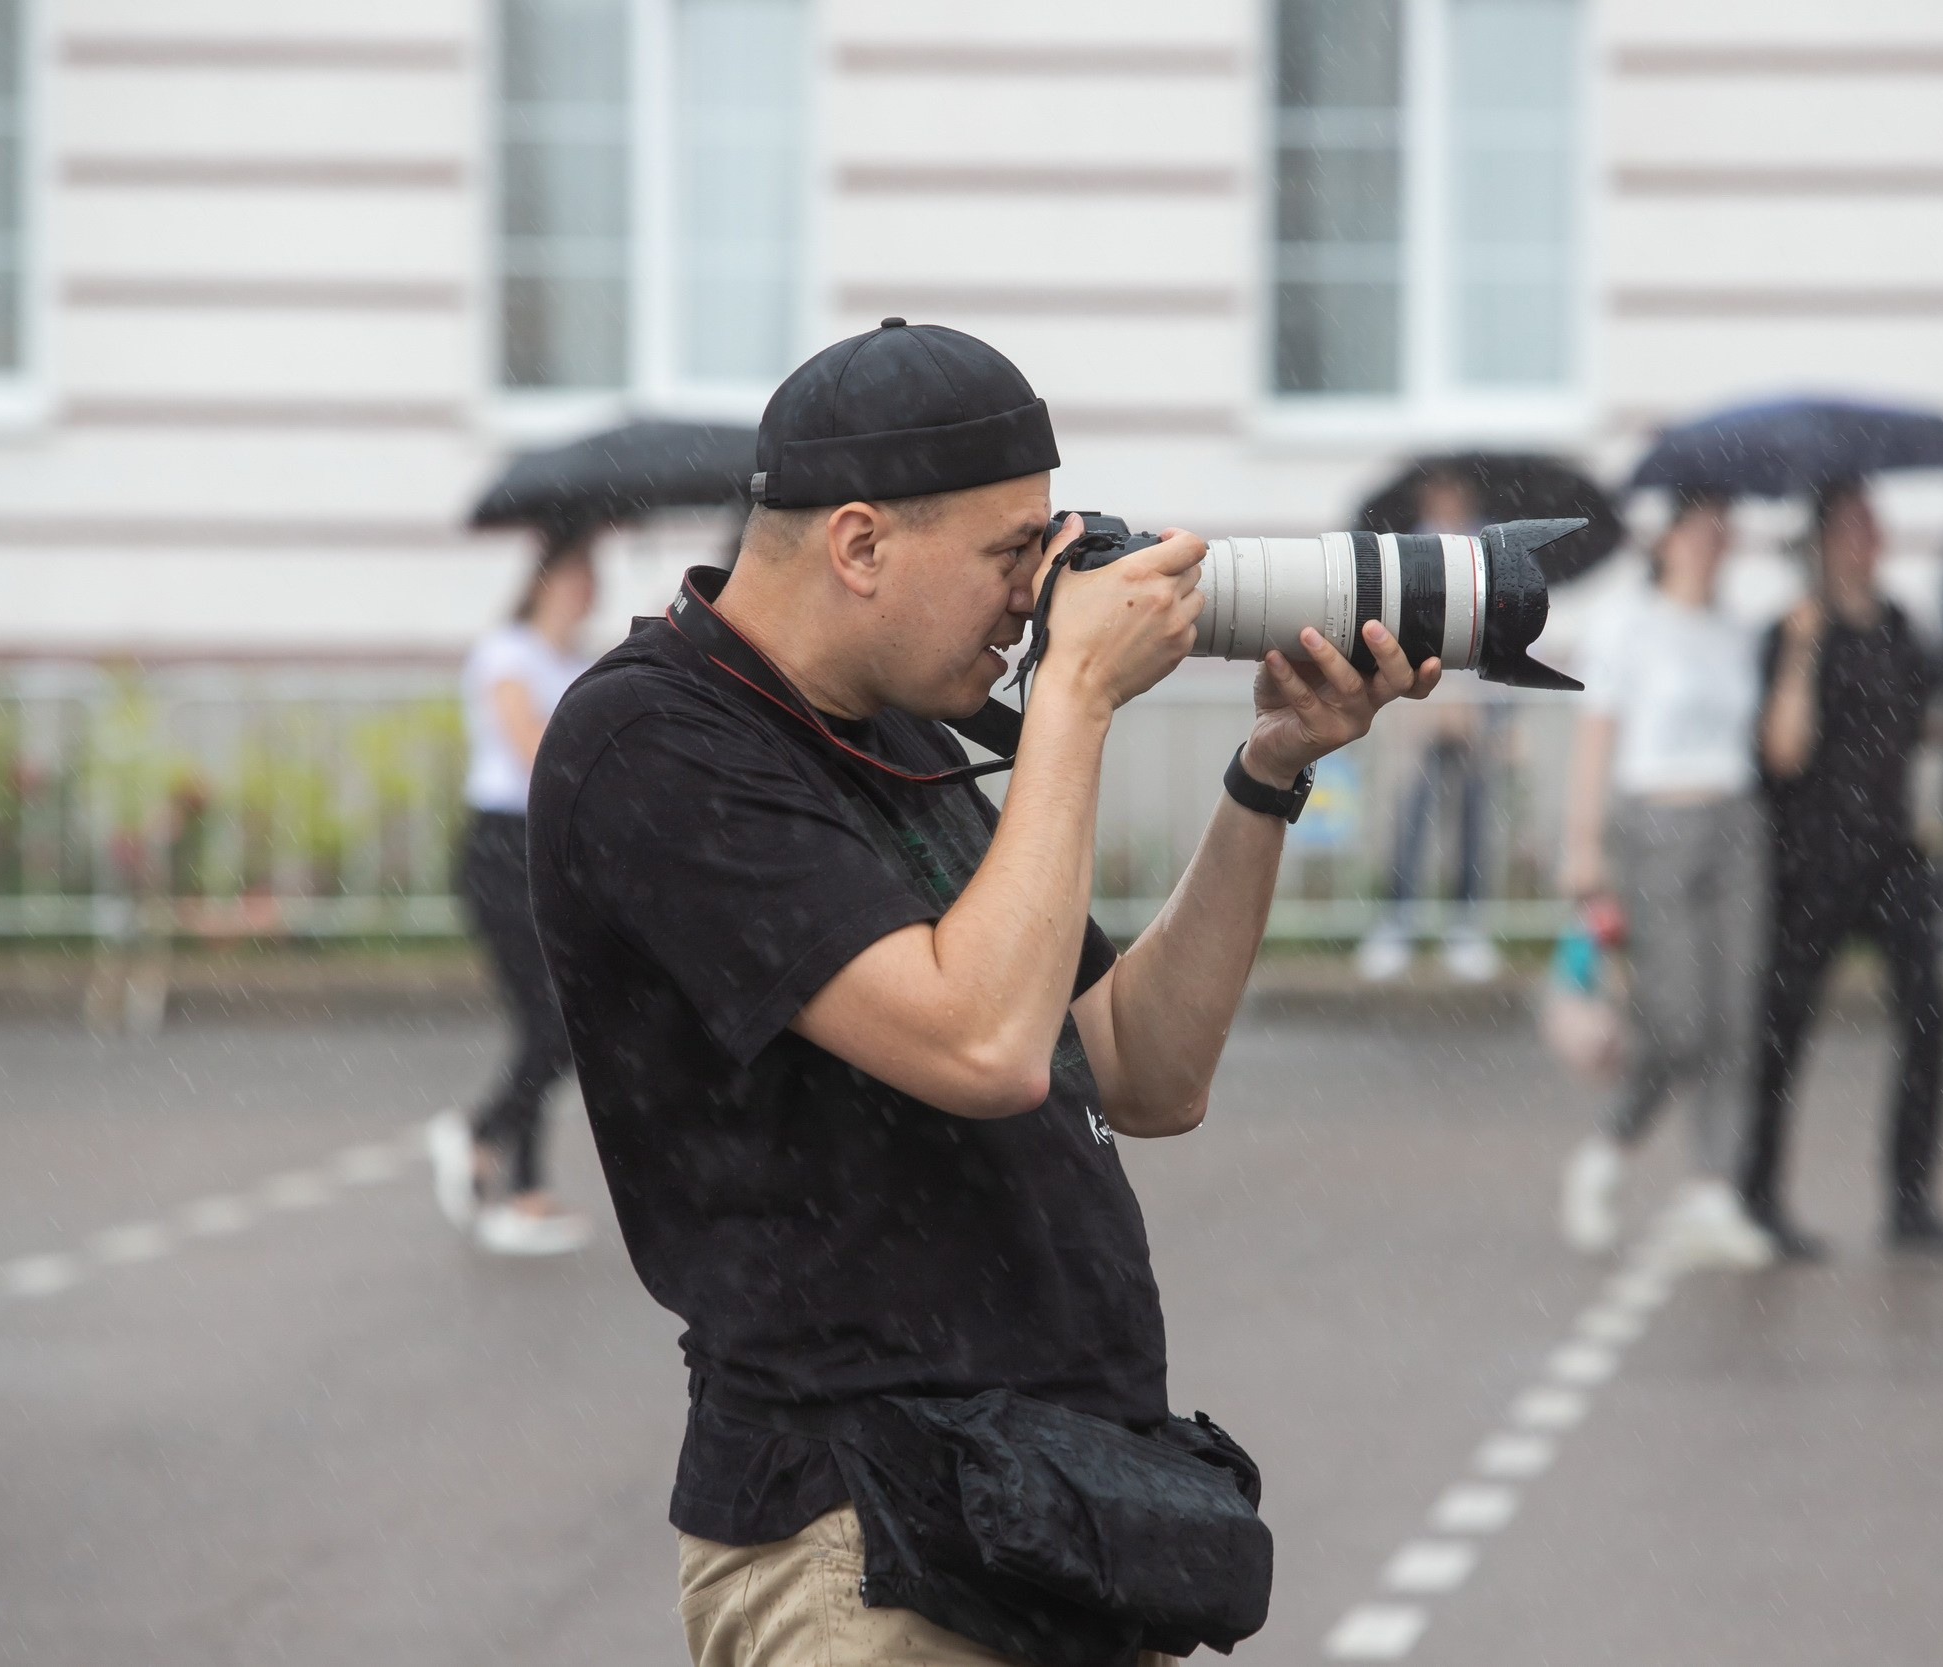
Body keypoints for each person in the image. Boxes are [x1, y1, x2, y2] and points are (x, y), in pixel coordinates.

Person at [523, 319, 1435, 1667]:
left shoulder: (893, 726)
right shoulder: (655, 737)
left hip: (1045, 1507)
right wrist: (1072, 693)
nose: (1038, 597)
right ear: (859, 544)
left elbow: (1140, 1064)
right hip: (864, 1540)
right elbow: (983, 1042)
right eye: (1014, 554)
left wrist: (1270, 770)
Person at [1744, 481, 1943, 1259]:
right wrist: (1805, 650)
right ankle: (1759, 1194)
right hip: (1810, 858)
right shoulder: (1792, 630)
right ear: (1821, 538)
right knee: (1783, 1026)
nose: (1865, 538)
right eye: (1850, 525)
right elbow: (1782, 750)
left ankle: (1910, 1198)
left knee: (1929, 1013)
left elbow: (1935, 721)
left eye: (1873, 524)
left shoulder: (1902, 628)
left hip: (1891, 851)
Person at [1557, 490, 1776, 1269]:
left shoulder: (1735, 630)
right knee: (1676, 1017)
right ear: (1672, 536)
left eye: (1726, 527)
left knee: (1736, 1014)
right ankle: (1610, 1147)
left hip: (1736, 823)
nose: (1718, 541)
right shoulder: (1629, 623)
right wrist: (1582, 847)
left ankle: (1716, 1188)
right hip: (1654, 825)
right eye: (1704, 526)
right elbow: (1598, 736)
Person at [426, 529, 598, 1256]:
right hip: (502, 845)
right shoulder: (508, 652)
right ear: (545, 578)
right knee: (552, 1022)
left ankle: (522, 1187)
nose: (586, 586)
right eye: (575, 572)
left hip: (551, 850)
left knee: (547, 1022)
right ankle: (480, 1133)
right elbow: (533, 745)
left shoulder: (580, 661)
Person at [1357, 469, 1506, 982]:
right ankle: (1398, 919)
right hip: (1415, 710)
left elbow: (1507, 634)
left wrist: (1498, 714)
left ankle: (1466, 922)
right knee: (1411, 817)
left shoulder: (1492, 553)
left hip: (1474, 712)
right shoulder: (1405, 553)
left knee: (1471, 819)